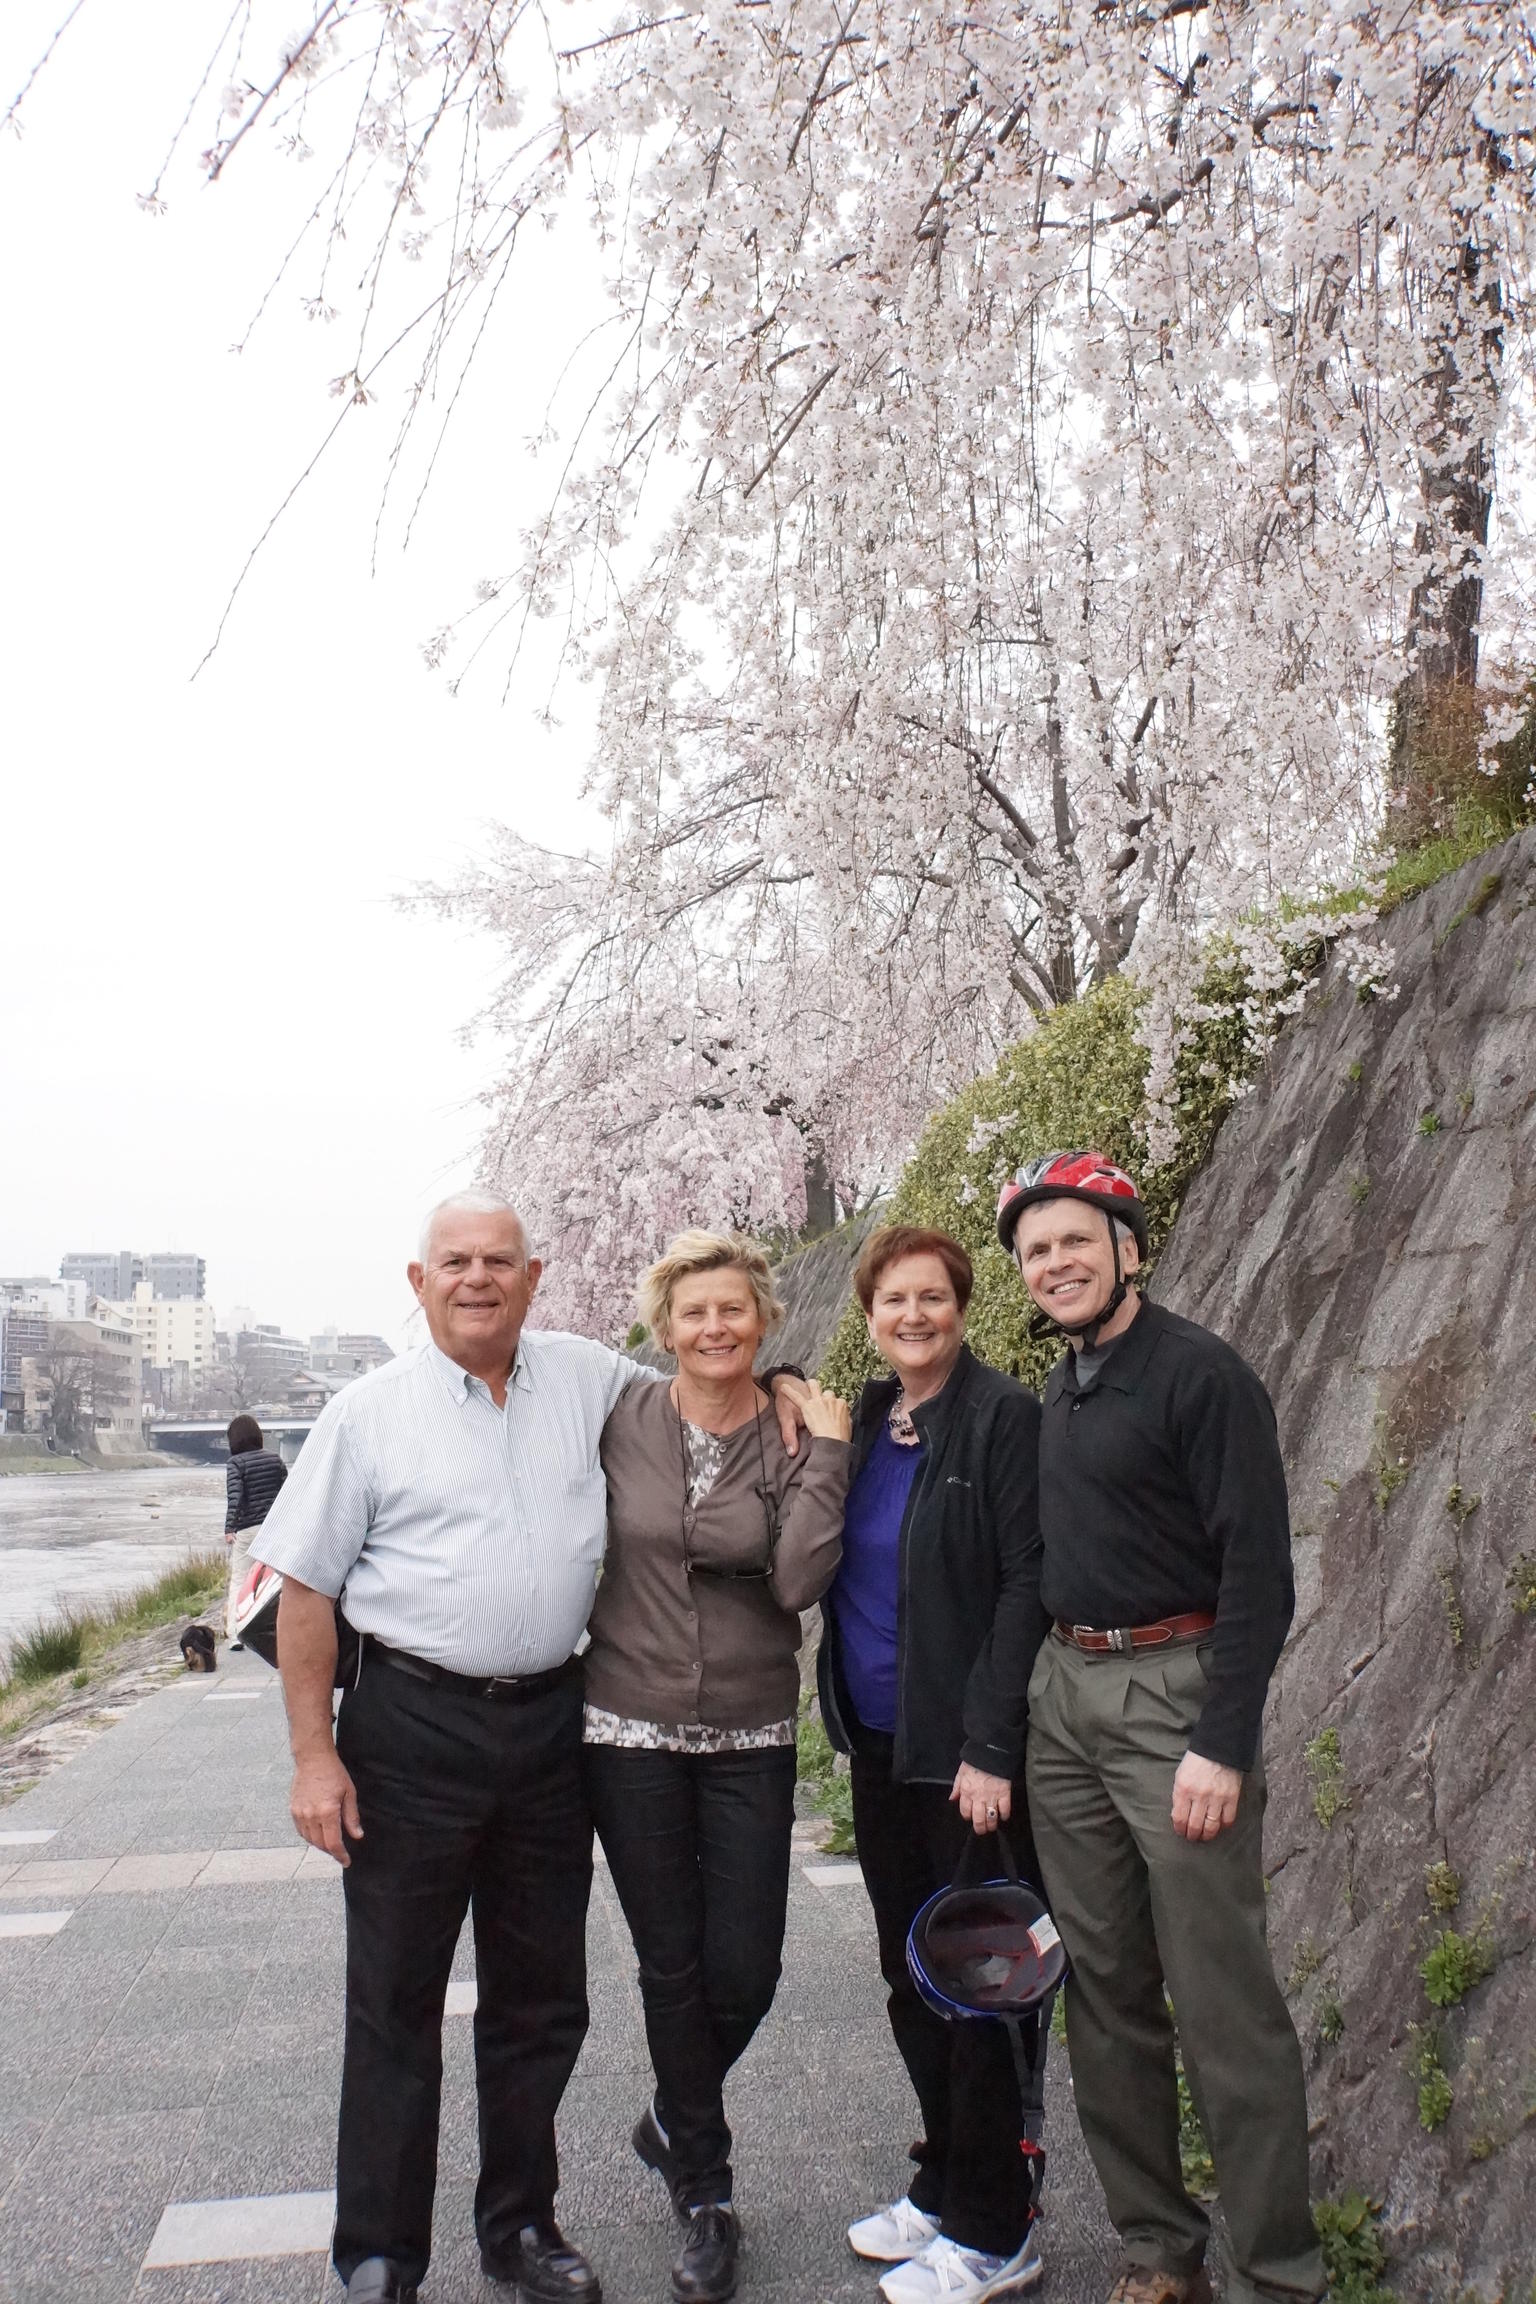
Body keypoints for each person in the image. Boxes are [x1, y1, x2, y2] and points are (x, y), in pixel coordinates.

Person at [252, 1192, 810, 2304]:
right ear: (419, 1283)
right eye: (453, 1262)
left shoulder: (587, 1378)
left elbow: (709, 1381)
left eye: (498, 1262)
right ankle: (379, 2252)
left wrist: (785, 1383)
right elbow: (304, 1591)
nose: (477, 1279)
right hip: (409, 1729)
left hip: (553, 1728)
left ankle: (519, 2224)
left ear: (534, 1275)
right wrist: (315, 1757)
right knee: (397, 1998)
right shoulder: (368, 1414)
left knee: (540, 2000)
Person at [996, 1152, 1325, 2304]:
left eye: (1077, 1241)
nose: (1056, 1264)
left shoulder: (1200, 1377)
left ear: (1128, 1247)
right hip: (1066, 1700)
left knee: (1222, 1998)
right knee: (1104, 1990)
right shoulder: (1065, 1387)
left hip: (1174, 1698)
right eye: (1036, 1252)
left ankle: (1279, 2271)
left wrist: (1221, 1740)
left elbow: (1260, 1574)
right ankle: (1156, 2247)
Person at [584, 1230, 853, 2304]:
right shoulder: (619, 1420)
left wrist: (825, 1453)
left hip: (750, 1729)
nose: (714, 1330)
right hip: (628, 1730)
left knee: (748, 1965)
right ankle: (705, 2186)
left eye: (733, 1312)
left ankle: (665, 2118)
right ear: (663, 1329)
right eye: (694, 1315)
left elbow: (796, 1582)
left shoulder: (792, 1432)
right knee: (671, 1964)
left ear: (762, 1319)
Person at [818, 1226, 1049, 2304]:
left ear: (962, 1306)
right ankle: (943, 2182)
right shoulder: (869, 1423)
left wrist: (991, 1745)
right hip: (879, 1748)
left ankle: (998, 2229)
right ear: (868, 1315)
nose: (913, 1315)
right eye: (893, 1300)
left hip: (965, 1766)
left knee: (982, 1988)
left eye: (933, 1297)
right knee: (912, 1978)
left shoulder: (1003, 1419)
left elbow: (1023, 1589)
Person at [224, 1413, 287, 1646]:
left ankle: (235, 1633)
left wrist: (230, 1527)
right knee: (275, 1581)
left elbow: (235, 1498)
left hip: (247, 1529)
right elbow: (286, 1495)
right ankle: (277, 1629)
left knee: (240, 1580)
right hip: (273, 1529)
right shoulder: (275, 1460)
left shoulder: (235, 1464)